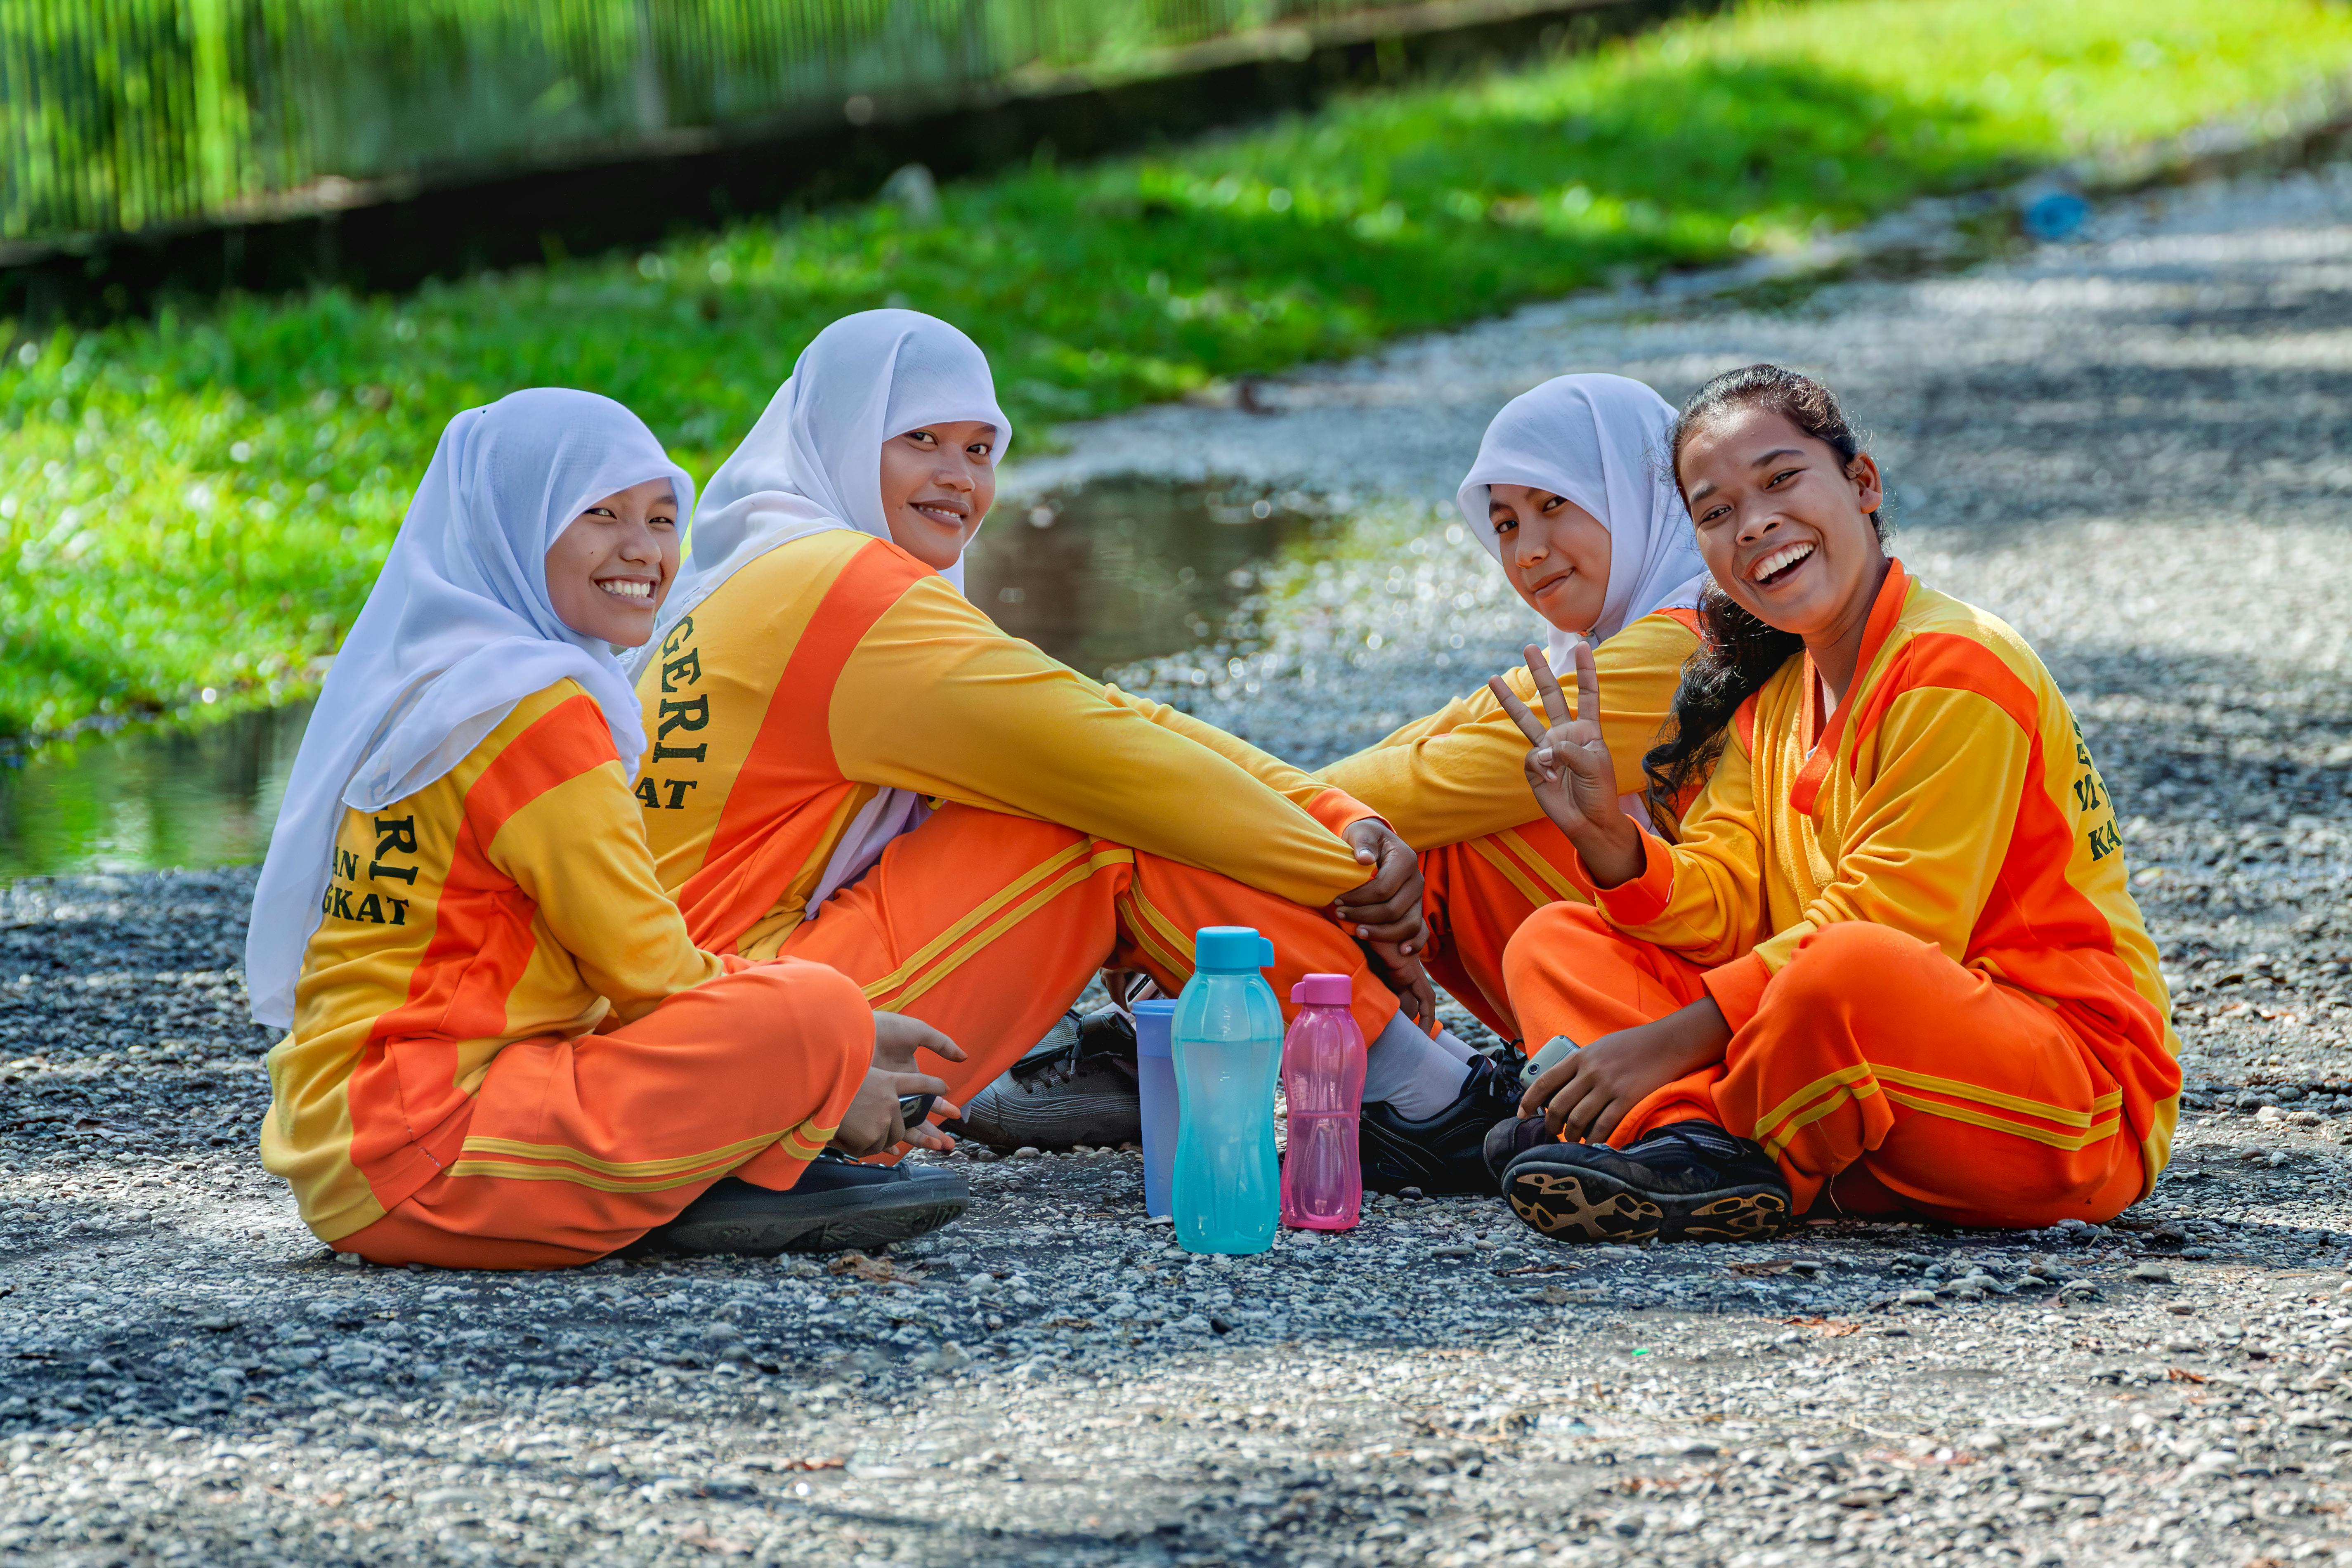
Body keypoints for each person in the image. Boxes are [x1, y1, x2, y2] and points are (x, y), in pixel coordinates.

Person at [630, 309, 1517, 1192]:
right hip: (743, 1029)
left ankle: (1399, 1077)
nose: (957, 478)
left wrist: (1340, 820)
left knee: (1082, 796)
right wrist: (1343, 878)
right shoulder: (850, 596)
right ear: (843, 437)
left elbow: (1103, 715)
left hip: (712, 1003)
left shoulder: (765, 569)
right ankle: (1415, 1094)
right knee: (1096, 829)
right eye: (922, 440)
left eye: (981, 449)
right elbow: (1115, 763)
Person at [249, 388, 965, 1269]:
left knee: (810, 1006)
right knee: (809, 1007)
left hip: (358, 1133)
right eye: (601, 514)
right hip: (424, 1146)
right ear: (517, 524)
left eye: (664, 517)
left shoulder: (447, 683)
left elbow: (618, 971)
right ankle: (724, 1178)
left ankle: (706, 1176)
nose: (644, 549)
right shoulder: (529, 712)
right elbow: (651, 973)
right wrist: (834, 1058)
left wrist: (838, 1037)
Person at [1485, 365, 2180, 1240]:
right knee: (1559, 940)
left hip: (2064, 1108)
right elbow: (1732, 898)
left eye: (1780, 481)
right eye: (1716, 512)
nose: (1757, 523)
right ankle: (1692, 1152)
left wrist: (1659, 1048)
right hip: (1865, 1103)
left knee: (1848, 967)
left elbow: (1897, 927)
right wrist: (1613, 847)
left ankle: (1675, 1132)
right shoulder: (1773, 696)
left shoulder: (1959, 665)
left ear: (1862, 484)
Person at [1322, 374, 1707, 1064]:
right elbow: (1436, 736)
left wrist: (1241, 818)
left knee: (1435, 836)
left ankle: (1402, 1077)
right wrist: (1242, 797)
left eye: (1554, 503)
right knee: (1383, 838)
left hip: (1725, 1006)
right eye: (1506, 524)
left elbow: (1442, 781)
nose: (1526, 550)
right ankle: (1402, 1071)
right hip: (1682, 975)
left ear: (1635, 485)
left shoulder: (1693, 639)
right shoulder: (1596, 651)